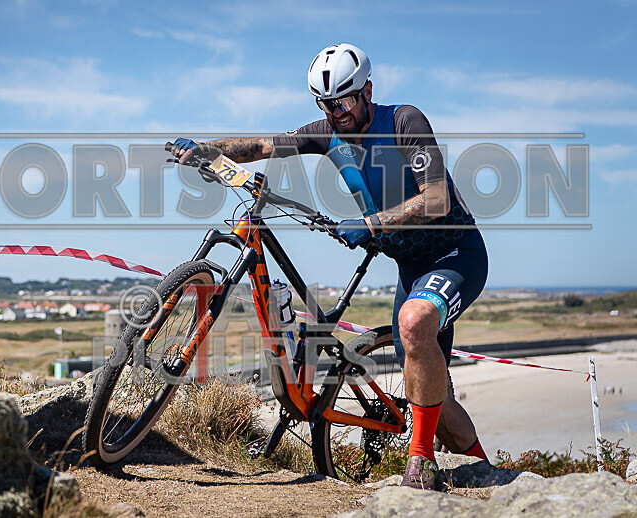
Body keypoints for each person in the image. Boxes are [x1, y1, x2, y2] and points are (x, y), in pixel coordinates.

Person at [170, 43, 488, 490]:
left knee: (413, 324)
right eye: (326, 104)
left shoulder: (403, 121)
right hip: (410, 267)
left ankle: (420, 465)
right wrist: (204, 148)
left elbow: (437, 199)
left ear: (367, 91)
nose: (337, 113)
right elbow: (261, 145)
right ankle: (487, 474)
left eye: (344, 101)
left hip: (454, 255)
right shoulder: (327, 131)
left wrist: (372, 223)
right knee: (436, 402)